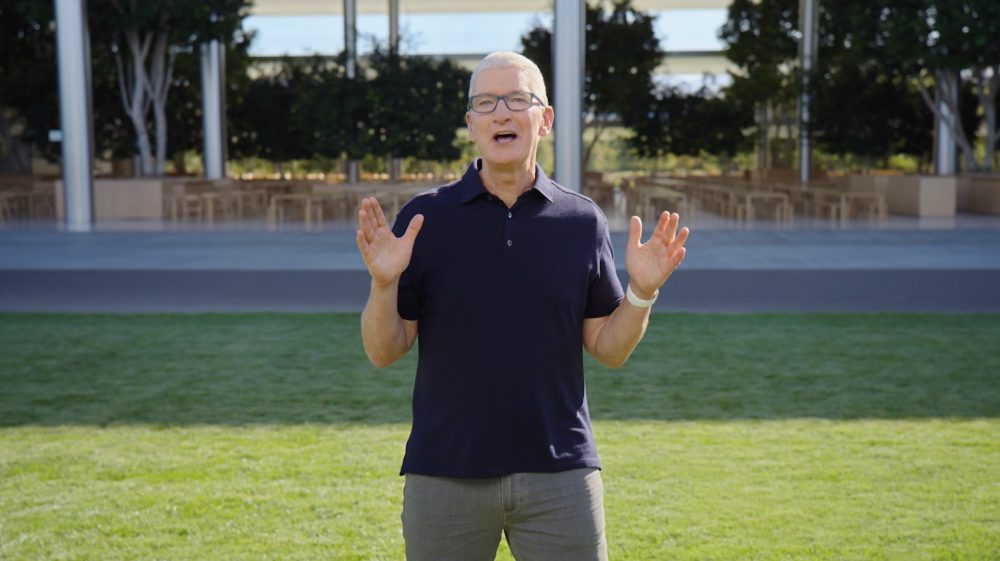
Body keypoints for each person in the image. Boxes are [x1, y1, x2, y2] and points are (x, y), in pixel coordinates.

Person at [356, 51, 689, 561]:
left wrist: (641, 292)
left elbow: (609, 349)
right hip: (445, 472)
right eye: (485, 103)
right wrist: (383, 284)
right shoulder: (426, 219)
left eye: (516, 99)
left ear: (545, 119)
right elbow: (383, 351)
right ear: (471, 125)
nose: (501, 114)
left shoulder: (582, 221)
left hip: (561, 475)